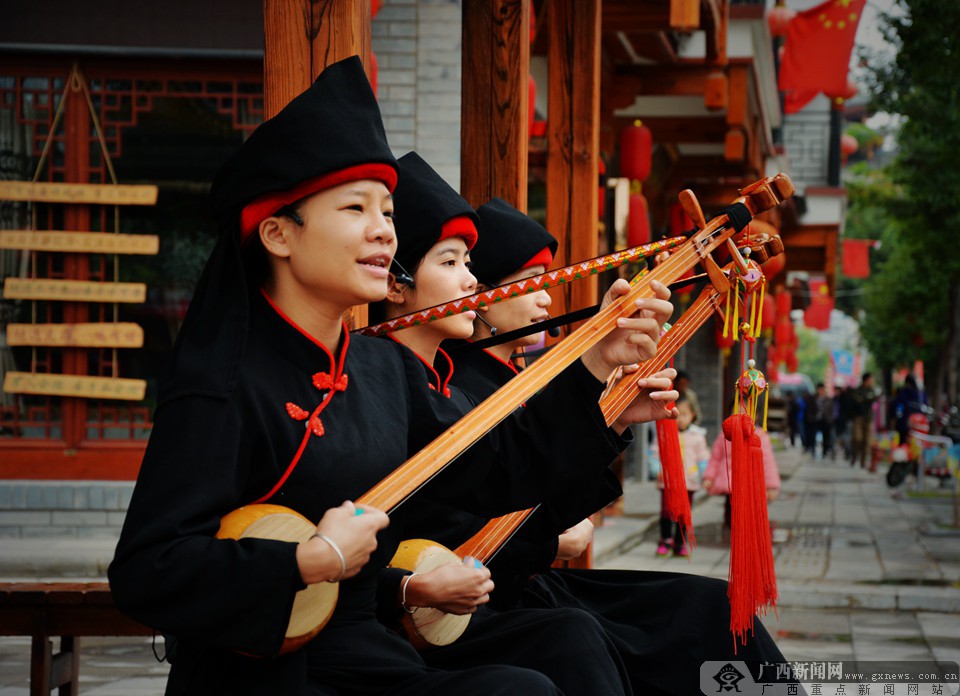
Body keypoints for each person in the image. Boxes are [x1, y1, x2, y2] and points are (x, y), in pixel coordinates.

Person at [107, 57, 667, 696]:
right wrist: (305, 560)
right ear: (277, 234)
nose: (383, 231)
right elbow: (146, 571)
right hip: (256, 674)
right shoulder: (224, 384)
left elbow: (497, 465)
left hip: (365, 657)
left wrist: (597, 364)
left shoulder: (379, 368)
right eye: (355, 208)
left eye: (389, 212)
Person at [439, 198, 790, 696]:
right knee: (590, 641)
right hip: (490, 593)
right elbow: (479, 505)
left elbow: (537, 482)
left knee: (708, 604)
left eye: (547, 280)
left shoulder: (519, 377)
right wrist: (548, 540)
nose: (545, 297)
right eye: (529, 280)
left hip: (529, 578)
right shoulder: (453, 383)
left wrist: (617, 417)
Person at [370, 152, 669, 694]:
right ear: (395, 285)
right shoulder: (386, 377)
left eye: (470, 263)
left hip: (437, 605)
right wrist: (405, 588)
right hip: (388, 625)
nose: (473, 282)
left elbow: (506, 481)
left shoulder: (437, 381)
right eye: (452, 262)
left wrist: (611, 413)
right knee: (575, 641)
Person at [651, 397, 708, 557]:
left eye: (684, 414)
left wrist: (704, 473)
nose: (680, 418)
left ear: (693, 415)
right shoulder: (664, 432)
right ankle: (665, 540)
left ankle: (680, 542)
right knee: (666, 511)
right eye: (677, 413)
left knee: (684, 513)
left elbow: (702, 457)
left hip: (689, 481)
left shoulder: (698, 436)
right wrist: (657, 469)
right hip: (667, 481)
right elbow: (655, 453)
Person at [703, 417, 782, 530]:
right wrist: (709, 477)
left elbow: (767, 461)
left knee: (748, 519)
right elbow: (715, 458)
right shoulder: (724, 435)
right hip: (730, 484)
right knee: (730, 518)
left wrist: (771, 485)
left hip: (750, 484)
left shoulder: (759, 435)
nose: (740, 416)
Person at [850, 373, 878, 469]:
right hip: (858, 418)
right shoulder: (858, 390)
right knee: (858, 439)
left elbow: (874, 398)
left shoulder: (872, 390)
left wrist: (867, 399)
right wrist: (867, 398)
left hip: (869, 418)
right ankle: (854, 455)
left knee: (868, 441)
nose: (872, 382)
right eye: (870, 380)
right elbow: (858, 400)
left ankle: (863, 461)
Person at [805, 382, 835, 458]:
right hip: (815, 420)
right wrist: (810, 418)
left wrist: (830, 419)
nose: (821, 391)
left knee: (826, 436)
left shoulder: (828, 399)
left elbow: (831, 410)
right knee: (813, 435)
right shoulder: (813, 398)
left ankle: (825, 451)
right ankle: (813, 450)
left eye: (822, 389)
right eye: (820, 389)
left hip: (825, 420)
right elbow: (809, 409)